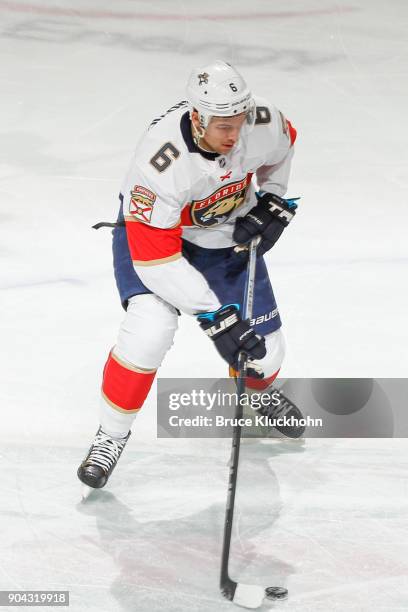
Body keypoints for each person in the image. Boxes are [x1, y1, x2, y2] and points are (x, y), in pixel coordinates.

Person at [77, 60, 303, 491]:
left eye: (238, 122)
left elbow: (284, 145)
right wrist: (217, 317)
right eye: (223, 127)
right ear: (197, 118)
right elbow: (157, 261)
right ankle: (110, 436)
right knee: (150, 330)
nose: (234, 136)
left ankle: (258, 394)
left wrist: (272, 199)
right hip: (157, 241)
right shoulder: (160, 161)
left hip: (223, 236)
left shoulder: (259, 121)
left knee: (265, 355)